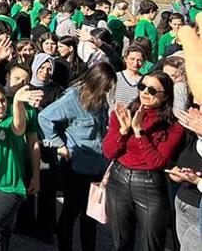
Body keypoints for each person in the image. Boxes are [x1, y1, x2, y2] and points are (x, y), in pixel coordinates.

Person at [38, 63, 116, 251]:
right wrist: (59, 145)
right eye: (105, 87)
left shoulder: (101, 99)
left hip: (96, 164)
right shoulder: (72, 98)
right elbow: (45, 118)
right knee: (70, 212)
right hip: (76, 165)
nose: (107, 91)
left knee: (91, 215)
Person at [103, 71, 185, 251]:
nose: (145, 92)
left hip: (150, 183)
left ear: (165, 96)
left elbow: (157, 162)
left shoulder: (173, 124)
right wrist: (124, 131)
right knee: (121, 243)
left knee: (151, 244)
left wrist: (139, 132)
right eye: (142, 87)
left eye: (153, 90)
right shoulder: (124, 112)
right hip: (119, 178)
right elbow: (109, 152)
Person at [0, 83, 42, 251]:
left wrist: (18, 102)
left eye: (2, 100)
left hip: (9, 188)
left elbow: (19, 128)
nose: (0, 105)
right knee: (0, 234)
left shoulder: (11, 120)